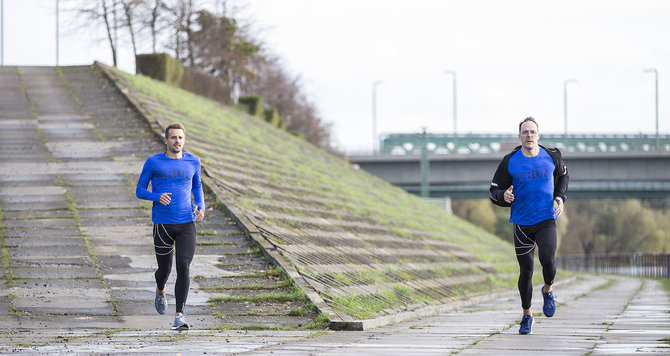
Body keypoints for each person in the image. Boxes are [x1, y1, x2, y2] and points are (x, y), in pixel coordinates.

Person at [489, 117, 569, 335]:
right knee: (526, 271)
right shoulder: (510, 161)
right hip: (522, 223)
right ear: (519, 136)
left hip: (546, 218)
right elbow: (494, 190)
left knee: (548, 259)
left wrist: (560, 197)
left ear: (538, 135)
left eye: (532, 132)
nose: (529, 136)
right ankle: (527, 315)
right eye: (525, 132)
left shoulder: (551, 156)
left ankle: (548, 289)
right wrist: (503, 195)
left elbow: (563, 176)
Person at [136, 122, 205, 331]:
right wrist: (156, 196)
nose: (177, 141)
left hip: (186, 223)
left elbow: (197, 186)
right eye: (173, 138)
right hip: (163, 224)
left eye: (181, 138)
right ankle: (160, 289)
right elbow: (140, 190)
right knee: (164, 270)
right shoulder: (153, 162)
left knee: (183, 266)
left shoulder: (193, 161)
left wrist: (200, 206)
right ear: (166, 140)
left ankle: (179, 316)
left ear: (184, 140)